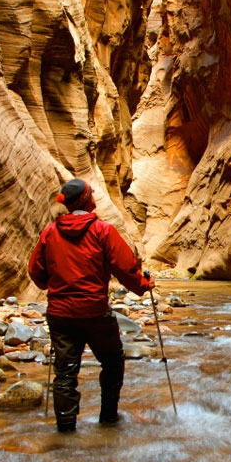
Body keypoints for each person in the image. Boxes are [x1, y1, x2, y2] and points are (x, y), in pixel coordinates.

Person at [28, 178, 155, 432]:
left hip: (61, 315)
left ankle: (65, 429)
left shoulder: (49, 233)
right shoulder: (102, 230)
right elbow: (125, 267)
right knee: (112, 360)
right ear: (87, 201)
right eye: (92, 194)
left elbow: (36, 272)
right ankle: (108, 417)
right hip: (95, 313)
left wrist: (50, 286)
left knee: (65, 371)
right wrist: (143, 285)